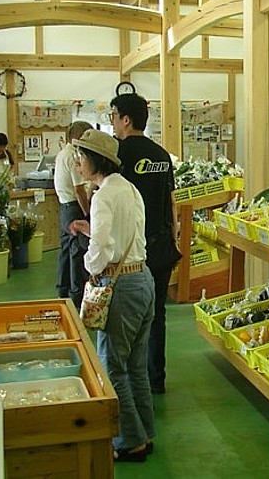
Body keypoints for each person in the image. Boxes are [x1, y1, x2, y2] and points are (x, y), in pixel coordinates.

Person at [68, 129, 156, 462]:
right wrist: (91, 233)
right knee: (136, 366)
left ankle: (130, 442)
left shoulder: (103, 196)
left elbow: (103, 247)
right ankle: (145, 433)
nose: (77, 164)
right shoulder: (128, 188)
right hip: (142, 278)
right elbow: (123, 234)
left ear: (95, 160)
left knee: (113, 367)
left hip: (120, 286)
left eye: (80, 157)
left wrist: (91, 265)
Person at [110, 92, 178, 395]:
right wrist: (173, 237)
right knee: (157, 313)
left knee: (124, 315)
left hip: (128, 249)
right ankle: (155, 378)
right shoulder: (162, 155)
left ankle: (126, 380)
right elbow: (171, 201)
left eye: (114, 116)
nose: (113, 122)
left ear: (126, 119)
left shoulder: (116, 154)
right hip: (161, 245)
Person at [54, 121, 92, 309]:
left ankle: (63, 290)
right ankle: (77, 295)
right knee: (77, 252)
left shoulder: (62, 153)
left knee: (65, 251)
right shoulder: (73, 156)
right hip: (74, 207)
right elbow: (79, 190)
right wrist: (87, 213)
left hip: (64, 207)